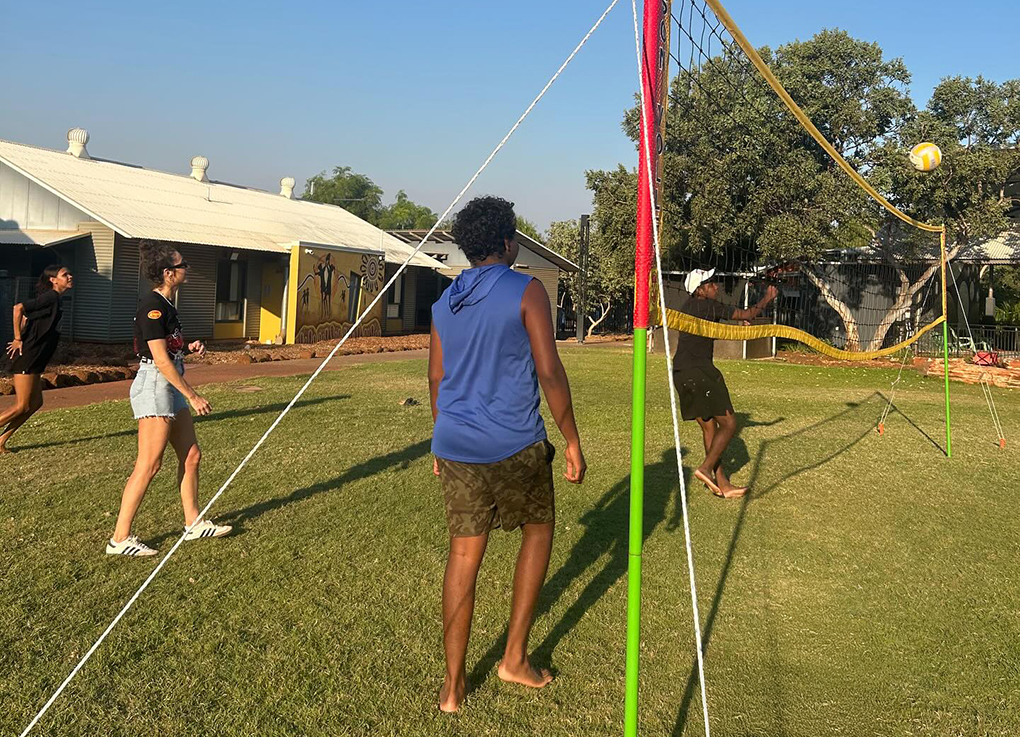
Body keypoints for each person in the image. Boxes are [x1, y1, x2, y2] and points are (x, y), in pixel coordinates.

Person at [429, 196, 587, 713]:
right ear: (506, 242)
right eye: (515, 234)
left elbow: (436, 378)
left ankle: (453, 688)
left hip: (455, 444)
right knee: (538, 530)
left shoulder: (445, 302)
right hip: (514, 442)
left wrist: (440, 437)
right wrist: (571, 439)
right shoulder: (527, 289)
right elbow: (549, 370)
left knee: (463, 555)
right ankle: (514, 659)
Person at [107, 242, 231, 557]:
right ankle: (120, 539)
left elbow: (168, 348)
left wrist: (188, 348)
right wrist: (192, 395)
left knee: (191, 456)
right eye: (182, 264)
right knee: (149, 464)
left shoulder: (167, 304)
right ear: (168, 273)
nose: (187, 268)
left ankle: (193, 523)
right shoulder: (153, 306)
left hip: (169, 384)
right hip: (155, 386)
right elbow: (159, 360)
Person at [673, 268, 778, 499]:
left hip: (681, 373)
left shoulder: (689, 307)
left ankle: (723, 484)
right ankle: (705, 469)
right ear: (700, 290)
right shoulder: (709, 306)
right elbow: (747, 313)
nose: (716, 286)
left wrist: (737, 325)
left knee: (710, 427)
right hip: (700, 372)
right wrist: (768, 297)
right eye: (711, 283)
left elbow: (708, 331)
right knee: (730, 424)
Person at [1, 265, 73, 453]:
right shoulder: (51, 297)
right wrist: (18, 339)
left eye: (69, 274)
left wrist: (27, 329)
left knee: (35, 404)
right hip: (29, 357)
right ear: (53, 280)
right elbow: (18, 308)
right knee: (22, 405)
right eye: (65, 274)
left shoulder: (56, 300)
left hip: (37, 357)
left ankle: (1, 441)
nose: (70, 277)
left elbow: (27, 317)